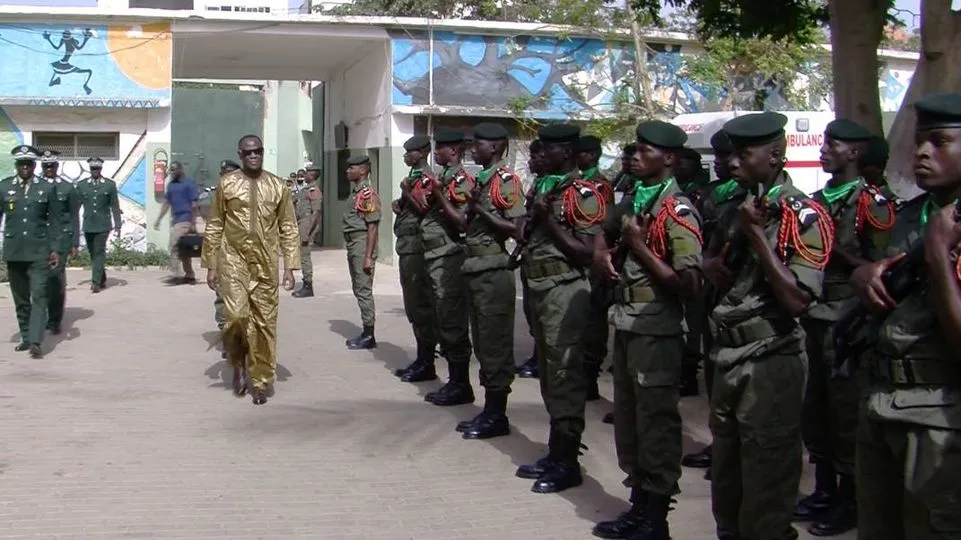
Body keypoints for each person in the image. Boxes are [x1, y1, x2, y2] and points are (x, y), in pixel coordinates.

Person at [705, 112, 834, 540]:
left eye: (744, 154)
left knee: (767, 485)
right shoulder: (738, 210)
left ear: (776, 154)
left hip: (769, 358)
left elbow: (798, 299)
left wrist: (758, 238)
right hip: (728, 355)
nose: (733, 163)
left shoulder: (803, 215)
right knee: (727, 481)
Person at [851, 92, 961, 539]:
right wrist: (862, 275)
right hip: (882, 400)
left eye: (939, 141)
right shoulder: (912, 215)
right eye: (919, 140)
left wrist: (936, 252)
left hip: (940, 420)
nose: (921, 151)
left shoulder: (937, 231)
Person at [591, 121, 702, 540]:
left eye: (644, 150)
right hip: (628, 325)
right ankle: (639, 506)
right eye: (633, 149)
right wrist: (604, 252)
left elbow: (689, 285)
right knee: (630, 423)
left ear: (669, 159)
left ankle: (657, 518)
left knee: (655, 425)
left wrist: (637, 247)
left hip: (658, 332)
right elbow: (603, 230)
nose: (634, 156)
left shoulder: (678, 210)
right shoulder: (635, 199)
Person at [794, 119, 895, 536]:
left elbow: (884, 269)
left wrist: (836, 255)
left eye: (832, 144)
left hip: (849, 320)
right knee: (815, 407)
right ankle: (824, 489)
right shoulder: (816, 200)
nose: (824, 150)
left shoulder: (872, 202)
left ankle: (849, 499)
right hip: (815, 315)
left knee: (845, 410)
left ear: (854, 152)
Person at [515, 123, 604, 494]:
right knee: (550, 374)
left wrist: (548, 221)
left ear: (565, 153)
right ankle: (557, 451)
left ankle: (568, 460)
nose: (539, 154)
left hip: (564, 290)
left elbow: (588, 252)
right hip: (539, 286)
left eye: (547, 149)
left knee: (565, 374)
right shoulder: (544, 186)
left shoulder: (582, 193)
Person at [434, 124, 524, 437]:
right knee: (484, 342)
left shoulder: (506, 180)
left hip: (492, 269)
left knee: (494, 344)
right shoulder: (485, 181)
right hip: (475, 267)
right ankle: (489, 409)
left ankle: (497, 414)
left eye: (480, 144)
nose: (474, 149)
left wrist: (476, 210)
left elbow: (515, 228)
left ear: (497, 147)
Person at [201, 135, 300, 405]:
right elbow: (215, 224)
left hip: (266, 262)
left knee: (265, 323)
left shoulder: (278, 186)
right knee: (235, 317)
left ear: (262, 153)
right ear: (240, 154)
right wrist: (211, 264)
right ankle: (239, 365)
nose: (253, 156)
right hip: (233, 260)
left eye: (257, 151)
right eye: (247, 153)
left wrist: (290, 266)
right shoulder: (228, 184)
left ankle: (260, 380)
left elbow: (289, 227)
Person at [681, 130, 743, 477]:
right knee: (715, 370)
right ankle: (720, 442)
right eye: (718, 157)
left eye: (730, 156)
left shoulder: (763, 200)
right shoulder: (714, 195)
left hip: (746, 301)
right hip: (714, 294)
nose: (723, 163)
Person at [408, 133, 474, 407]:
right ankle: (450, 378)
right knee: (437, 315)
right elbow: (424, 209)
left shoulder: (461, 181)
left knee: (451, 320)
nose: (436, 153)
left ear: (455, 150)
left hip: (448, 255)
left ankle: (460, 384)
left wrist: (436, 194)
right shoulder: (443, 178)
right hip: (433, 255)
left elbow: (461, 222)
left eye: (442, 148)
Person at [0, 145, 60, 358]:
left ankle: (36, 340)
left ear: (34, 166)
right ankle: (26, 336)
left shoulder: (46, 188)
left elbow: (54, 221)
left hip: (38, 251)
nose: (25, 167)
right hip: (14, 251)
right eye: (21, 164)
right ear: (16, 165)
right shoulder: (4, 187)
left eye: (28, 164)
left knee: (39, 294)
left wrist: (54, 249)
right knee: (21, 298)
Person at [393, 136, 439, 380]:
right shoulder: (413, 178)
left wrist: (406, 193)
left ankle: (426, 361)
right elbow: (409, 207)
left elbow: (424, 209)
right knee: (413, 306)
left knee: (421, 306)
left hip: (418, 250)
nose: (406, 156)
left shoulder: (426, 179)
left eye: (409, 152)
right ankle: (422, 359)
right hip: (407, 247)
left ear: (421, 153)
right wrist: (400, 202)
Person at [577, 134, 614, 402]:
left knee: (593, 320)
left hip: (594, 256)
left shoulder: (598, 185)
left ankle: (590, 377)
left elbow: (600, 222)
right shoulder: (579, 183)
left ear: (590, 155)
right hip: (582, 256)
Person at [341, 154, 381, 350]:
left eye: (352, 168)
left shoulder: (367, 193)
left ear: (363, 170)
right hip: (353, 244)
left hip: (361, 243)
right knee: (358, 288)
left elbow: (372, 226)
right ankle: (366, 330)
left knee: (363, 289)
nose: (348, 171)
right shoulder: (355, 192)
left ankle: (369, 334)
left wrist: (367, 257)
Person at [39, 150, 78, 335]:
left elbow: (73, 216)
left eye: (51, 166)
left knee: (55, 280)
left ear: (57, 167)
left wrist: (74, 243)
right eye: (45, 166)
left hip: (60, 239)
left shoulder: (67, 188)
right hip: (38, 240)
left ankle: (54, 320)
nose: (48, 169)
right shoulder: (34, 186)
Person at [199, 159, 239, 336]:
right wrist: (211, 267)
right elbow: (211, 232)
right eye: (224, 174)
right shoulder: (214, 195)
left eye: (230, 173)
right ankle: (227, 336)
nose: (227, 177)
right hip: (224, 255)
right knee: (223, 297)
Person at [517, 139, 546, 380]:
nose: (531, 161)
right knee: (533, 313)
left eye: (536, 157)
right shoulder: (539, 185)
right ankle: (538, 356)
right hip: (532, 259)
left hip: (553, 268)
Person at [75, 156, 121, 293]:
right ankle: (102, 278)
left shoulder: (109, 185)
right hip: (89, 224)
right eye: (93, 168)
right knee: (93, 252)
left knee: (99, 251)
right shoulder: (82, 185)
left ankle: (95, 283)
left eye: (97, 168)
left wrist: (118, 225)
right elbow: (76, 205)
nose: (95, 171)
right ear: (90, 169)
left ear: (101, 169)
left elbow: (115, 206)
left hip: (103, 224)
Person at [154, 161, 198, 284]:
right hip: (176, 220)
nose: (172, 172)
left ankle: (176, 274)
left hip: (185, 220)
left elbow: (194, 205)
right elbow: (167, 203)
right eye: (171, 170)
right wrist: (159, 219)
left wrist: (193, 223)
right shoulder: (171, 185)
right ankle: (189, 275)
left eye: (174, 170)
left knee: (173, 245)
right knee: (183, 249)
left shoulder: (189, 184)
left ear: (180, 169)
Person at [291, 164, 323, 298]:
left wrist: (308, 233)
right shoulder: (306, 189)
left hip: (306, 223)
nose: (305, 175)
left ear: (313, 175)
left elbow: (316, 212)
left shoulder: (314, 190)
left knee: (305, 256)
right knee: (302, 255)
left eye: (308, 173)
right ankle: (306, 283)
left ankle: (308, 285)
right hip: (301, 223)